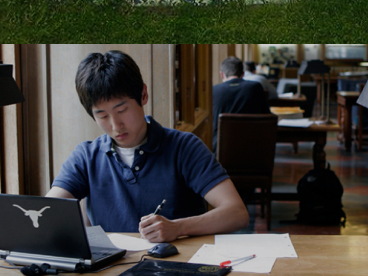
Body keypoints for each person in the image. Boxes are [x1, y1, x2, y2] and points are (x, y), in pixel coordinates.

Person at [45, 51, 248, 243]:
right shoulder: (86, 156)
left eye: (122, 110)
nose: (116, 126)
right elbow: (48, 210)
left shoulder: (184, 147)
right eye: (102, 115)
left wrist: (178, 228)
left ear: (143, 95)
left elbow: (236, 213)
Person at [213, 57, 272, 148]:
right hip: (253, 147)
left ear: (221, 74)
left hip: (221, 147)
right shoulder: (256, 87)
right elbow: (267, 116)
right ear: (243, 74)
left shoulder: (214, 90)